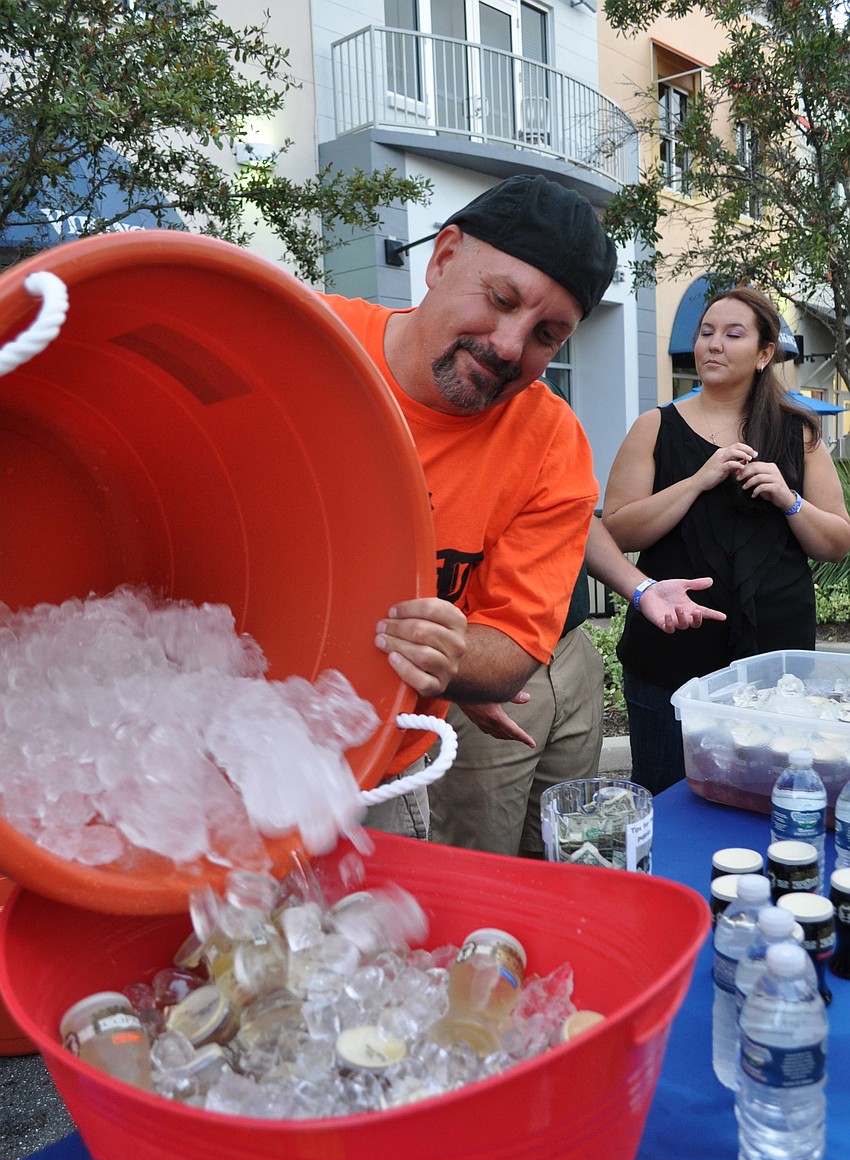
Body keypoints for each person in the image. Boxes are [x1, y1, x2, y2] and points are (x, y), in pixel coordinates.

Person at [322, 173, 720, 839]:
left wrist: (453, 659)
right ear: (443, 257)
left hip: (381, 772)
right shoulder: (309, 341)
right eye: (500, 299)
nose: (508, 346)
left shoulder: (550, 440)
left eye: (547, 335)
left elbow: (511, 648)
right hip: (210, 738)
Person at [428, 402, 726, 859]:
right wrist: (468, 675)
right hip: (483, 658)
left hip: (569, 649)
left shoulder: (541, 400)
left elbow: (572, 516)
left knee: (568, 847)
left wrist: (641, 588)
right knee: (481, 856)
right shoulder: (444, 401)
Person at [603, 286, 850, 795]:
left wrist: (789, 499)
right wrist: (697, 481)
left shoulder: (797, 433)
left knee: (773, 795)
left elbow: (836, 542)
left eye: (733, 334)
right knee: (666, 793)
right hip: (671, 650)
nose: (713, 344)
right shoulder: (655, 427)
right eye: (706, 332)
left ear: (764, 353)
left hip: (776, 663)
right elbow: (618, 531)